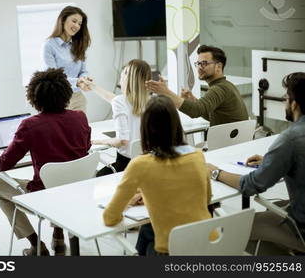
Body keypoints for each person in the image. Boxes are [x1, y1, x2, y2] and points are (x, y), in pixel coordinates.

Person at [0, 68, 91, 256]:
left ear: (34, 97)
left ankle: (36, 245)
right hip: (76, 192)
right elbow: (85, 148)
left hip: (44, 196)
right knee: (61, 179)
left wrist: (18, 143)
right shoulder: (80, 117)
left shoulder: (30, 125)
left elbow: (4, 164)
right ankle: (58, 235)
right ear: (66, 93)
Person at [207, 72, 305, 254]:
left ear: (294, 103)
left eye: (285, 99)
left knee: (230, 230)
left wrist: (215, 172)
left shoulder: (291, 139)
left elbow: (251, 185)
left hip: (300, 228)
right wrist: (273, 161)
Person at [102, 95, 214, 255]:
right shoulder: (197, 156)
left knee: (147, 239)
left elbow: (110, 217)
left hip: (172, 251)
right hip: (208, 243)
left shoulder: (140, 164)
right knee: (147, 231)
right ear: (177, 125)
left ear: (145, 128)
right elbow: (207, 199)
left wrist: (141, 200)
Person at [146, 45, 248, 126]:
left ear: (218, 66)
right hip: (235, 144)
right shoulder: (227, 85)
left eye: (204, 63)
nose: (199, 67)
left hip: (225, 145)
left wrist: (165, 92)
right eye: (198, 63)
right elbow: (211, 115)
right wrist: (194, 100)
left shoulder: (218, 89)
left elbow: (195, 111)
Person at [89, 59, 151, 176]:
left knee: (96, 176)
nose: (122, 73)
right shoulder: (151, 102)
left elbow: (122, 140)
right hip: (148, 165)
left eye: (125, 72)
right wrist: (92, 86)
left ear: (128, 78)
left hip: (126, 167)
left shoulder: (119, 101)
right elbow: (113, 99)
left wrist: (98, 141)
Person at [43, 6, 92, 113]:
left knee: (81, 129)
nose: (77, 26)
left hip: (78, 98)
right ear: (63, 19)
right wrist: (78, 82)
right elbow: (54, 77)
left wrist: (84, 80)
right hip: (59, 99)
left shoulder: (79, 45)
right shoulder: (49, 45)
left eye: (80, 24)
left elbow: (83, 71)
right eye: (74, 21)